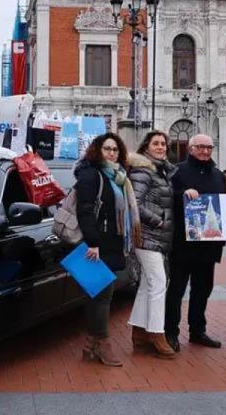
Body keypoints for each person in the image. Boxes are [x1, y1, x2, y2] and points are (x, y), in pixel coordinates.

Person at [74, 132, 142, 367]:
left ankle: (90, 345)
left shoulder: (119, 177)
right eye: (107, 149)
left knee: (101, 295)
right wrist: (92, 243)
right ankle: (103, 344)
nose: (111, 153)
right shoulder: (90, 174)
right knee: (101, 296)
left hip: (112, 242)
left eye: (115, 149)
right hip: (95, 245)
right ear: (97, 150)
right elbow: (84, 210)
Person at [166, 133, 226, 351]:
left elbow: (224, 205)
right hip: (183, 243)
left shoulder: (218, 175)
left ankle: (197, 330)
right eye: (200, 147)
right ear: (191, 148)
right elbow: (167, 198)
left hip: (209, 243)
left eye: (209, 147)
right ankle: (170, 332)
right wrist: (182, 193)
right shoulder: (177, 171)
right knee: (176, 290)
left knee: (203, 289)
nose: (205, 151)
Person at [127, 131, 178, 359]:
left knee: (148, 284)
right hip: (147, 235)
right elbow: (134, 203)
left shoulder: (161, 170)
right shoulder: (143, 170)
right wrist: (157, 220)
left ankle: (138, 332)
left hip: (156, 236)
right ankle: (157, 333)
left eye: (163, 144)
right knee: (158, 283)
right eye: (155, 143)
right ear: (146, 146)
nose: (160, 147)